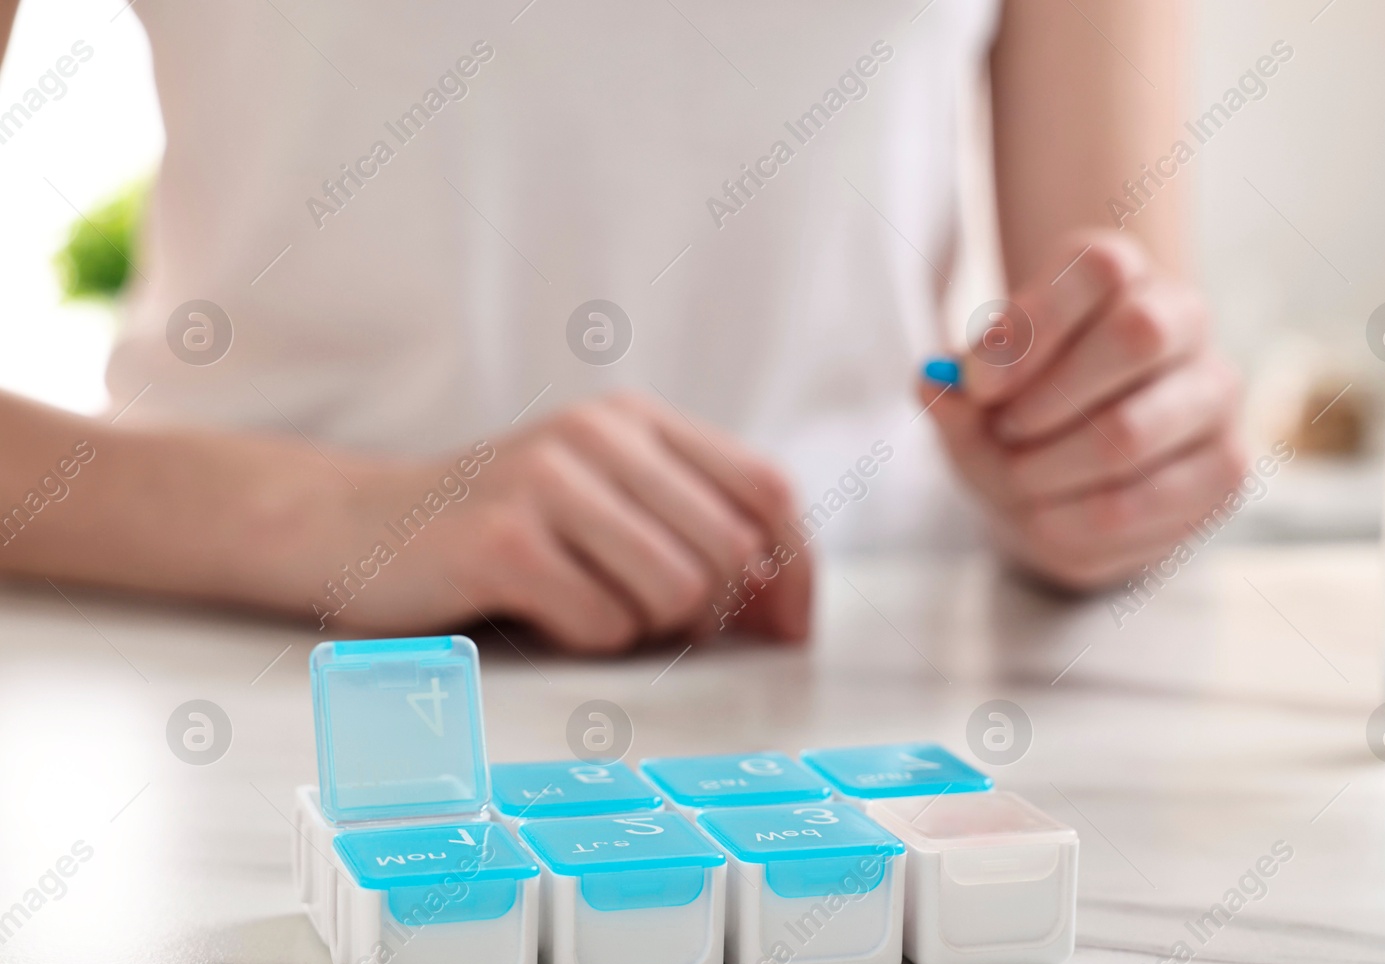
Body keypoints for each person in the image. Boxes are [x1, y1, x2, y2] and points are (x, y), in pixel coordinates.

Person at [0, 0, 1243, 653]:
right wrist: (341, 517)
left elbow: (1113, 356)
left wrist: (1110, 455)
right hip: (227, 655)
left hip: (859, 676)